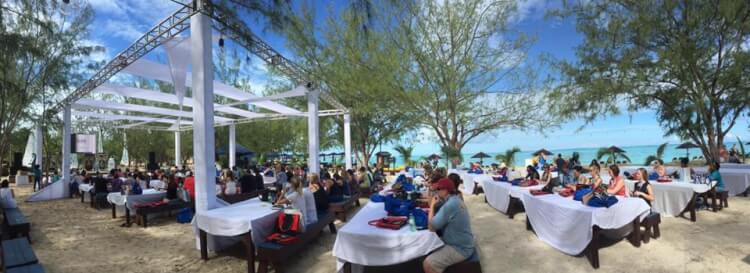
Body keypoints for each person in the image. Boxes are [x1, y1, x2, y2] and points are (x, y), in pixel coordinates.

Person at [424, 178, 475, 273]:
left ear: (445, 191)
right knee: (427, 247)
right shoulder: (455, 200)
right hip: (462, 242)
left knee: (429, 264)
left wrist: (432, 205)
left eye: (438, 189)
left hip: (460, 248)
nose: (436, 192)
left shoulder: (450, 205)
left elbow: (431, 227)